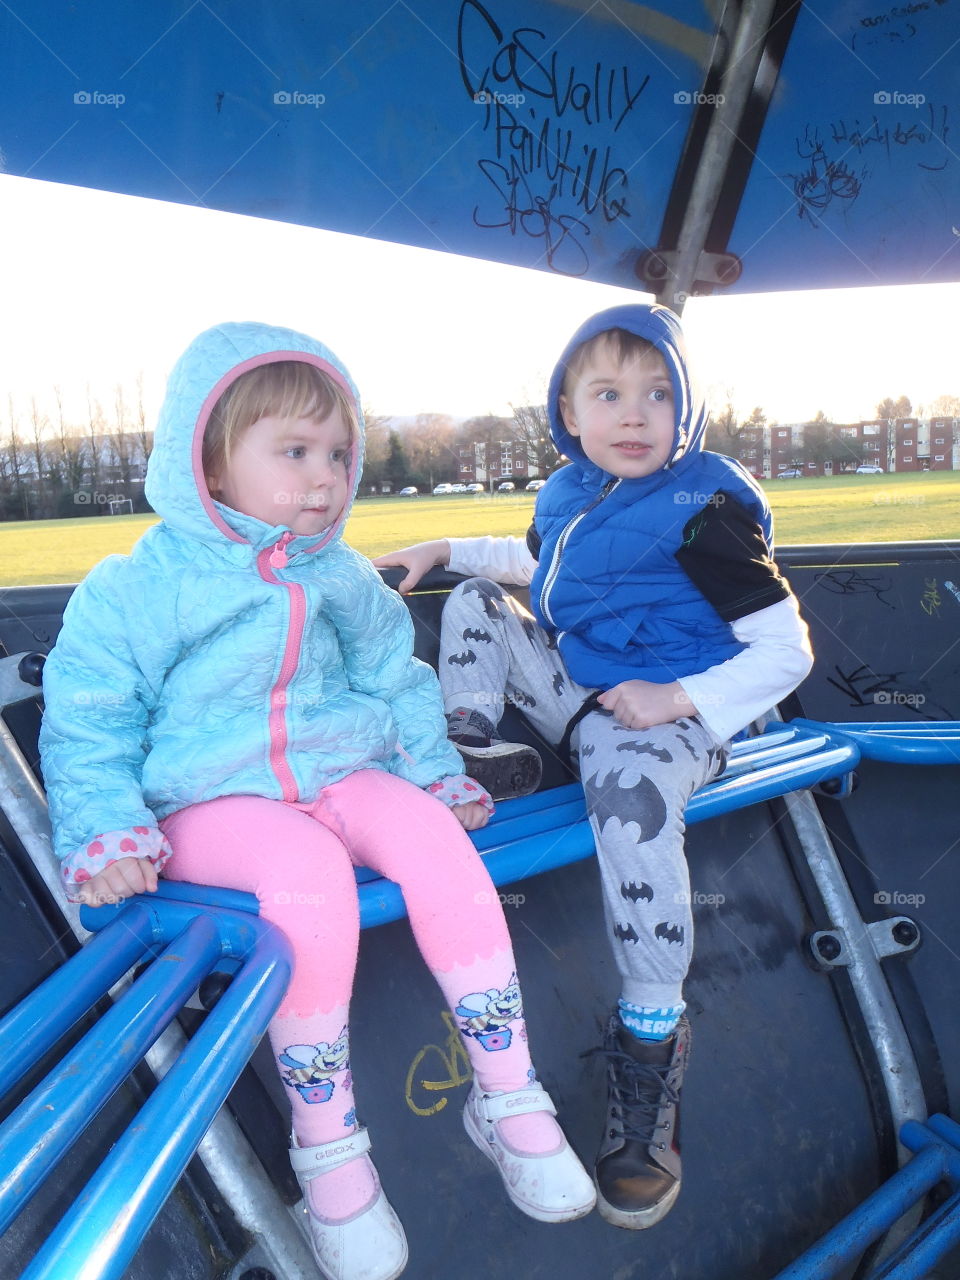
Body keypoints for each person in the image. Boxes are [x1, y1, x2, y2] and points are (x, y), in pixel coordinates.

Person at [39, 322, 596, 1280]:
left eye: (339, 454)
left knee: (432, 843)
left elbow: (396, 676)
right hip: (212, 799)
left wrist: (431, 771)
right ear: (208, 461)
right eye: (293, 453)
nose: (325, 476)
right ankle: (328, 1143)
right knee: (306, 876)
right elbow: (90, 714)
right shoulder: (137, 588)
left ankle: (509, 1094)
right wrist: (106, 830)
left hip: (340, 773)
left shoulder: (341, 578)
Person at [374, 303, 814, 1232]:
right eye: (608, 394)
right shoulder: (575, 495)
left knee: (629, 809)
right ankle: (472, 748)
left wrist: (678, 698)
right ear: (568, 414)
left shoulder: (704, 514)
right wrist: (444, 550)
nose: (634, 414)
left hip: (665, 719)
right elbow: (536, 562)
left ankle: (651, 1053)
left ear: (686, 410)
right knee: (479, 606)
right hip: (584, 696)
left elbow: (786, 650)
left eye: (659, 394)